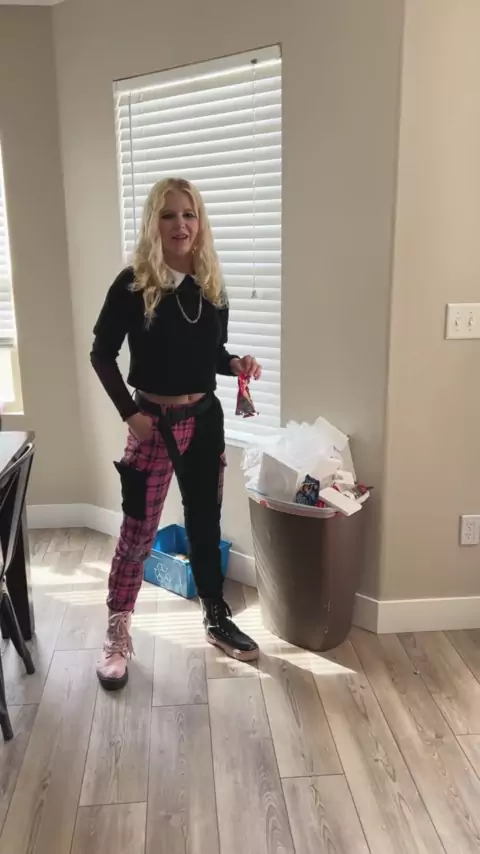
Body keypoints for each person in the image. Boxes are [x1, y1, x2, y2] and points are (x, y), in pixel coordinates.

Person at [91, 177, 261, 690]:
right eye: (168, 215)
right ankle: (117, 634)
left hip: (205, 420)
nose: (180, 224)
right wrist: (130, 414)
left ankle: (214, 614)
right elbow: (101, 354)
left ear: (199, 221)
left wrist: (235, 363)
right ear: (154, 223)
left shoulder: (212, 286)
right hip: (154, 425)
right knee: (137, 532)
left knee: (205, 522)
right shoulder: (132, 284)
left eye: (188, 214)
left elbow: (211, 353)